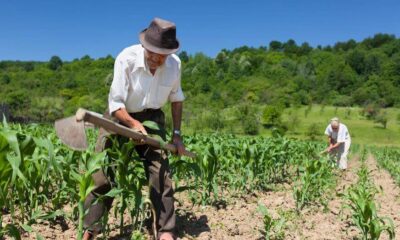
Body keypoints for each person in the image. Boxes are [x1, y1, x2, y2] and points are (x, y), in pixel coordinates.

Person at [83, 17, 186, 240]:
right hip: (120, 116)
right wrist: (133, 123)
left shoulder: (175, 64)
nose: (156, 60)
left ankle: (165, 230)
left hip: (153, 118)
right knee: (103, 173)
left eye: (162, 56)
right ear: (144, 46)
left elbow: (176, 99)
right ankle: (91, 229)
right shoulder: (126, 59)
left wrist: (176, 135)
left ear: (169, 52)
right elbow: (116, 102)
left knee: (160, 173)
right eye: (152, 54)